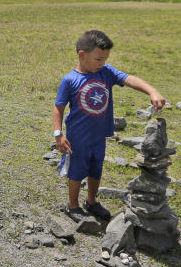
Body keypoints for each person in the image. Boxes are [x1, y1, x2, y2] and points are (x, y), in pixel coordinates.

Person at [52, 30, 165, 221]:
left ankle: (91, 201)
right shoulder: (69, 80)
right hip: (78, 137)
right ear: (82, 54)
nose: (102, 63)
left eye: (104, 59)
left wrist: (151, 91)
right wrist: (58, 134)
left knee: (96, 169)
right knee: (76, 171)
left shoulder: (106, 72)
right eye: (98, 59)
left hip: (99, 135)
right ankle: (72, 205)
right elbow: (59, 107)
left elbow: (129, 79)